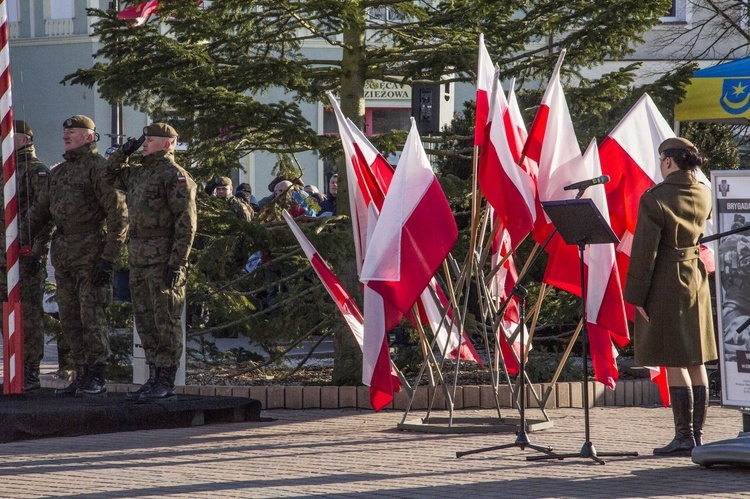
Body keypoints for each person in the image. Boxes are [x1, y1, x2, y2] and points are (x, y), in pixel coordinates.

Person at [623, 137, 718, 455]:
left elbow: (644, 252)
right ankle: (698, 435)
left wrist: (636, 294)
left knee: (673, 357)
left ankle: (683, 438)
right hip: (696, 279)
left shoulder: (656, 197)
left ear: (668, 162)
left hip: (666, 280)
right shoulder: (704, 192)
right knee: (695, 356)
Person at [28, 115, 128, 396]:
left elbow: (118, 215)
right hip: (64, 252)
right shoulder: (59, 173)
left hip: (92, 252)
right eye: (65, 132)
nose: (65, 136)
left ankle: (96, 375)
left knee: (91, 314)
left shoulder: (100, 170)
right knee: (69, 317)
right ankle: (81, 373)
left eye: (72, 132)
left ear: (89, 136)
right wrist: (19, 235)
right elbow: (40, 211)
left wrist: (109, 259)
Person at [106, 123, 197, 400]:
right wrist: (124, 152)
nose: (144, 143)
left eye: (151, 140)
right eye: (144, 139)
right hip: (139, 257)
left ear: (168, 144)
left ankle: (166, 380)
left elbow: (186, 223)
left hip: (163, 258)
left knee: (165, 319)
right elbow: (108, 175)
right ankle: (154, 376)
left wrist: (177, 263)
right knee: (144, 319)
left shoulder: (175, 176)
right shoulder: (138, 174)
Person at [0, 120, 53, 391]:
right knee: (5, 313)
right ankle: (12, 368)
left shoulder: (37, 172)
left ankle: (30, 371)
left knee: (29, 314)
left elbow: (44, 218)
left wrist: (35, 251)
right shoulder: (5, 171)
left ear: (24, 140)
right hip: (3, 257)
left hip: (25, 256)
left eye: (9, 137)